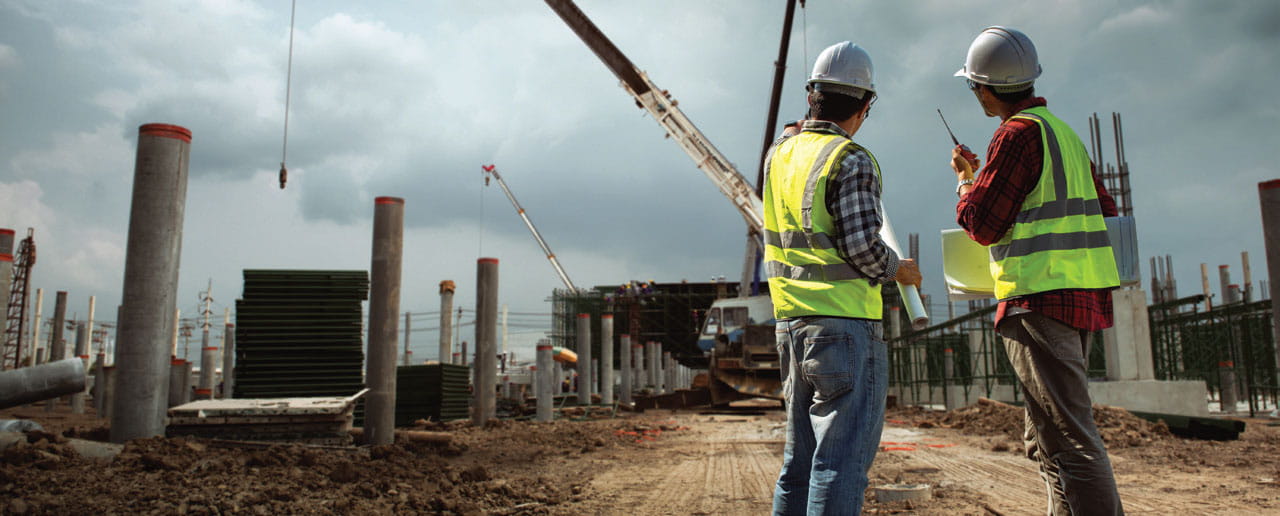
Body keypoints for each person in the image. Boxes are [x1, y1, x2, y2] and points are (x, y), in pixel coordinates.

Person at [950, 26, 1124, 516]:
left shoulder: (1015, 134)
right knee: (1047, 436)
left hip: (1038, 301)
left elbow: (981, 223)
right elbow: (1105, 211)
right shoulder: (1061, 134)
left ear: (984, 88)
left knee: (1069, 437)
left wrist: (968, 184)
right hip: (1078, 297)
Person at [764, 41, 921, 515]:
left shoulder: (779, 157)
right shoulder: (851, 160)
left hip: (791, 323)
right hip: (845, 325)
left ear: (811, 95)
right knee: (841, 462)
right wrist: (900, 269)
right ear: (866, 105)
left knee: (799, 462)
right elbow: (861, 249)